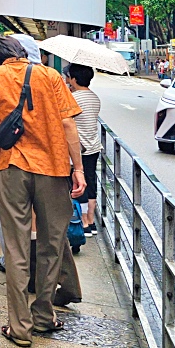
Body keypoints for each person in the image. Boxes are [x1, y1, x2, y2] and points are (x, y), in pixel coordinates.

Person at [0, 35, 86, 348]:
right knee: (51, 244)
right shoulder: (51, 76)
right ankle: (44, 316)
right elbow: (68, 126)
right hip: (54, 168)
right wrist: (80, 170)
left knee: (17, 249)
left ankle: (20, 327)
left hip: (12, 167)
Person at [65, 63, 102, 238]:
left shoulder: (73, 98)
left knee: (79, 184)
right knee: (91, 180)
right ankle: (92, 221)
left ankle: (83, 223)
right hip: (93, 146)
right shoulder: (94, 98)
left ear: (73, 78)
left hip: (78, 148)